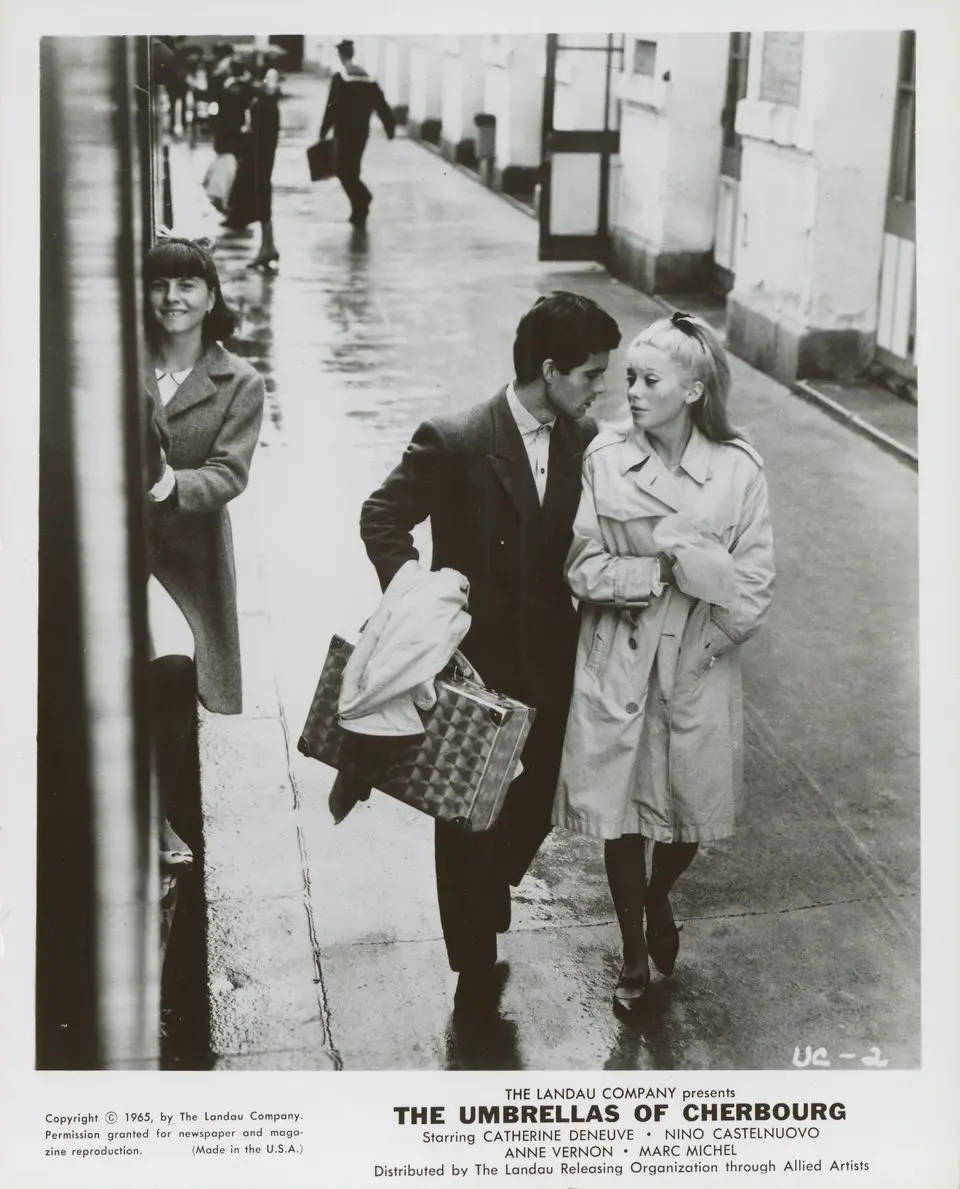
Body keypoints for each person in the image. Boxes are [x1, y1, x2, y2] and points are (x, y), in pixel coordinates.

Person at [360, 292, 622, 1017]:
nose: (599, 387)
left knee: (549, 787)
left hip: (555, 657)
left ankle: (489, 882)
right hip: (473, 662)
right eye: (590, 374)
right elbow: (381, 517)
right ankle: (474, 958)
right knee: (465, 807)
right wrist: (418, 598)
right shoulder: (458, 437)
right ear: (549, 369)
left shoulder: (584, 437)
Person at [552, 311, 775, 1019]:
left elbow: (756, 580)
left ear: (696, 388)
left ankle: (657, 897)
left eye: (650, 380)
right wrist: (653, 571)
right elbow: (581, 564)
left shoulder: (738, 471)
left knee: (688, 816)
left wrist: (715, 639)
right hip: (622, 654)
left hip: (698, 661)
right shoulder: (606, 458)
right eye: (629, 380)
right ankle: (632, 949)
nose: (634, 394)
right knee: (622, 814)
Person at [143, 236, 265, 721]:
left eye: (187, 285)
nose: (173, 297)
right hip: (121, 552)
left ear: (211, 297)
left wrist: (173, 485)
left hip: (188, 555)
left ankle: (164, 795)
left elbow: (229, 473)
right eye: (159, 285)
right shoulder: (123, 364)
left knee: (177, 668)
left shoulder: (239, 381)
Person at [319, 38, 396, 227]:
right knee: (352, 169)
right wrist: (389, 126)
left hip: (343, 132)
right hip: (361, 132)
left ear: (340, 54)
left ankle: (363, 198)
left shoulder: (341, 77)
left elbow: (331, 106)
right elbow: (381, 103)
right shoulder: (367, 77)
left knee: (343, 171)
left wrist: (323, 131)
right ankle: (358, 209)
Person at [226, 59, 283, 268]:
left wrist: (246, 136)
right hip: (263, 158)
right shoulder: (266, 100)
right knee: (262, 200)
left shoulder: (263, 103)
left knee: (262, 200)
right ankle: (267, 246)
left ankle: (268, 247)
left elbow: (259, 134)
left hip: (259, 159)